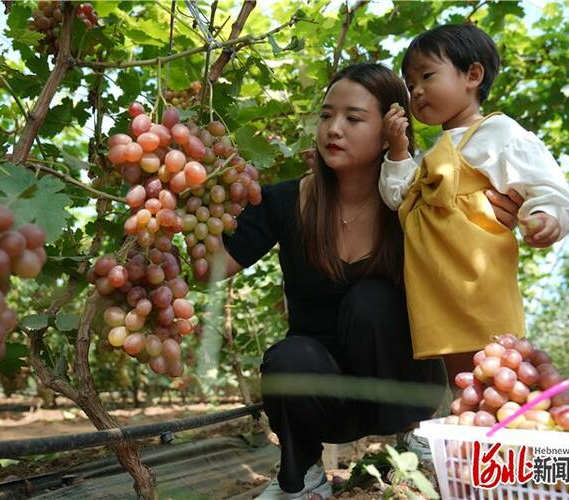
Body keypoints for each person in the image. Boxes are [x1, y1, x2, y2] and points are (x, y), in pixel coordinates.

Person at [208, 63, 522, 499]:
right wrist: (187, 201)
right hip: (325, 399)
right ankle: (301, 478)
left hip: (402, 388)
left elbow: (476, 249)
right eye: (325, 115)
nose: (333, 129)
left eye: (353, 118)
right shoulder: (286, 201)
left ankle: (418, 439)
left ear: (389, 130)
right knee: (288, 358)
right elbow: (211, 268)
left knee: (372, 300)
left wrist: (514, 212)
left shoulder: (415, 201)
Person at [379, 24, 569, 383]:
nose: (417, 91)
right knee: (462, 378)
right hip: (435, 290)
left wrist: (546, 215)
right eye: (410, 85)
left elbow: (546, 184)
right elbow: (397, 198)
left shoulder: (499, 133)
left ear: (472, 74)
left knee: (499, 365)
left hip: (480, 283)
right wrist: (398, 151)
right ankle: (473, 430)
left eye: (426, 75)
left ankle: (517, 427)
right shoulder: (433, 154)